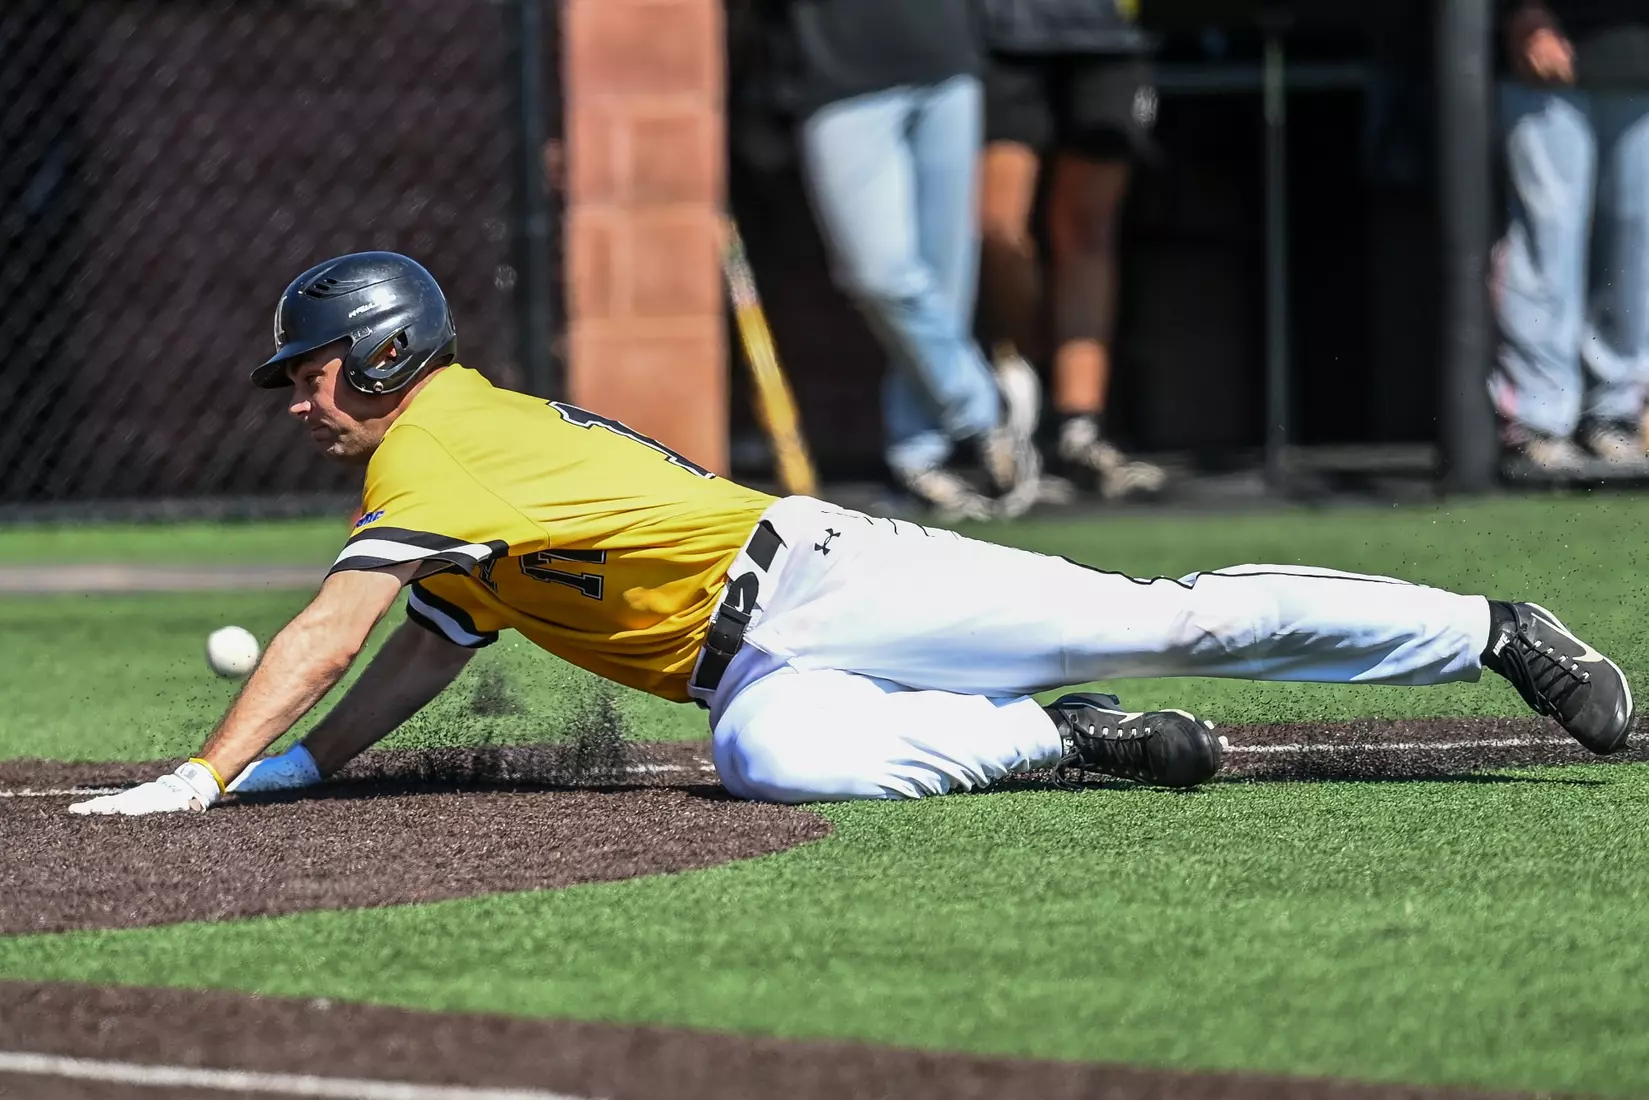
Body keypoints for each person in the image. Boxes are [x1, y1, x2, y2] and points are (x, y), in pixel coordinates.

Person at [70, 252, 1634, 816]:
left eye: (310, 371)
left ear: (385, 356)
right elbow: (423, 653)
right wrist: (293, 771)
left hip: (829, 579)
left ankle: (1490, 631)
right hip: (749, 668)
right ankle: (1055, 738)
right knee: (769, 761)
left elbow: (334, 626)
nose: (297, 399)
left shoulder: (438, 442)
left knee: (1169, 617)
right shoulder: (442, 469)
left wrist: (205, 776)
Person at [739, 0, 1042, 522]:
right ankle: (984, 409)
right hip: (836, 77)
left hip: (945, 61)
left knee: (946, 284)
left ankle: (918, 456)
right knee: (878, 274)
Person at [975, 0, 1168, 501]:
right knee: (998, 230)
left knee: (1087, 233)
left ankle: (1080, 429)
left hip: (1107, 35)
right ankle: (1020, 398)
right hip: (999, 34)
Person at [1491, 0, 1649, 471]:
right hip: (1549, 47)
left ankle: (1616, 412)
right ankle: (1536, 416)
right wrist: (1520, 10)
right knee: (1550, 237)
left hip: (1636, 55)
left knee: (1635, 243)